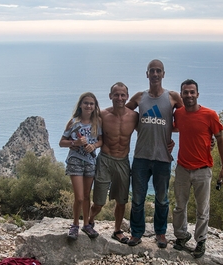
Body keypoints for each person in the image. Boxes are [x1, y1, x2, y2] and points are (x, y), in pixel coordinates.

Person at [125, 59, 183, 248]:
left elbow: (186, 119)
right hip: (141, 156)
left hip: (163, 158)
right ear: (147, 74)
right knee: (138, 198)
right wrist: (135, 127)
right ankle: (136, 233)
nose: (155, 74)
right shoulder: (140, 97)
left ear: (163, 74)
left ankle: (160, 233)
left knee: (162, 199)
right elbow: (125, 115)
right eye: (152, 71)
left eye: (159, 71)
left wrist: (170, 133)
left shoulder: (173, 97)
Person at [172, 79, 223, 259]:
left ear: (197, 94)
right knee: (179, 206)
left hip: (203, 170)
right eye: (185, 92)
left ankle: (201, 240)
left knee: (202, 209)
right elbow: (172, 128)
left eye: (192, 92)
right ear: (181, 95)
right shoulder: (178, 114)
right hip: (182, 168)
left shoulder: (210, 115)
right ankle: (181, 236)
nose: (189, 95)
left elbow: (220, 139)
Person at [88, 82, 138, 244]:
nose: (119, 98)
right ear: (110, 96)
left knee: (122, 200)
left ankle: (117, 230)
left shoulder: (134, 116)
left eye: (123, 95)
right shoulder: (102, 115)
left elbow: (150, 132)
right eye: (116, 94)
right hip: (104, 160)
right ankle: (89, 220)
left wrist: (168, 143)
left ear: (127, 97)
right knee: (99, 202)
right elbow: (84, 126)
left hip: (123, 161)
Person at [59, 92, 103, 240]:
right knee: (78, 197)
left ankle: (86, 225)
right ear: (80, 105)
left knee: (86, 196)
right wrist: (74, 143)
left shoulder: (97, 123)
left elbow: (101, 141)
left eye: (91, 103)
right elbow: (62, 142)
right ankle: (75, 225)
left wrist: (94, 145)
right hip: (75, 161)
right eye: (86, 103)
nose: (89, 106)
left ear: (95, 106)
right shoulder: (73, 123)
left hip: (90, 162)